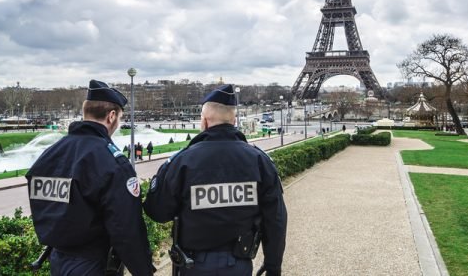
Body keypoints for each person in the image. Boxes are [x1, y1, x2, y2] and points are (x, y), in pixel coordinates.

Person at [144, 84, 287, 276]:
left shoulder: (182, 161)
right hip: (238, 264)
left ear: (203, 121)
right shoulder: (259, 161)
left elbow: (158, 212)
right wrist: (273, 266)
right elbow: (275, 219)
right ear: (234, 120)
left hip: (193, 265)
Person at [26, 80, 153, 275]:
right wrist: (143, 270)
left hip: (58, 260)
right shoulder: (112, 162)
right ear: (111, 116)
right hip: (93, 263)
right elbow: (126, 229)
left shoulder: (49, 155)